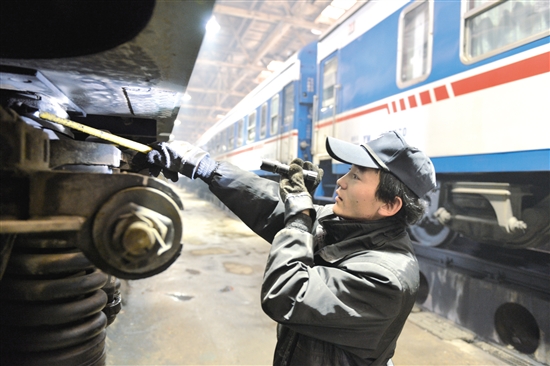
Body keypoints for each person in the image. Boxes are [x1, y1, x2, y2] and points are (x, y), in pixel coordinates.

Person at [132, 131, 436, 366]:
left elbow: (287, 293)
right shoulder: (346, 227)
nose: (341, 181)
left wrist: (300, 217)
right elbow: (270, 210)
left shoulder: (386, 278)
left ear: (389, 204)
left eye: (355, 176)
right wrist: (205, 167)